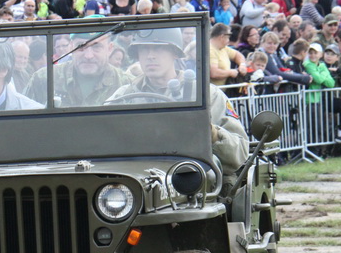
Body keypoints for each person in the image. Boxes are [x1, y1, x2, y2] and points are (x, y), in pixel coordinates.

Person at [109, 27, 249, 178]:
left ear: (175, 53)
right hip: (133, 183)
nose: (150, 56)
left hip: (192, 184)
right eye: (143, 50)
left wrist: (210, 132)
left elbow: (240, 154)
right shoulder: (124, 96)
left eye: (158, 49)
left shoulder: (207, 95)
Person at [25, 31, 132, 106]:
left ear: (109, 49)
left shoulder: (127, 85)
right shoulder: (44, 79)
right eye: (81, 46)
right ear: (71, 47)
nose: (88, 55)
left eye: (96, 47)